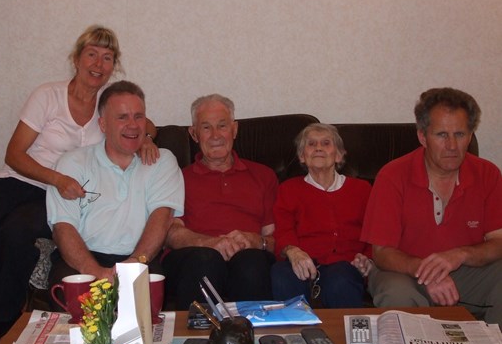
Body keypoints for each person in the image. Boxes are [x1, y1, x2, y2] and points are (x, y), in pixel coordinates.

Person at [0, 25, 158, 344]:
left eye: (107, 57)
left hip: (49, 199)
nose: (98, 63)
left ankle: (0, 333)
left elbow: (144, 124)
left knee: (19, 237)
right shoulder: (48, 95)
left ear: (114, 66)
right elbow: (14, 154)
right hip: (12, 187)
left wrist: (148, 138)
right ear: (77, 59)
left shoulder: (105, 109)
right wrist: (58, 179)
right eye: (91, 53)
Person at [361, 87, 502, 327]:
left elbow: (498, 241)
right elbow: (382, 252)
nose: (452, 145)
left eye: (460, 134)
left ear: (470, 136)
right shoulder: (393, 175)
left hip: (465, 271)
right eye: (441, 135)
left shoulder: (487, 173)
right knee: (396, 293)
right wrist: (428, 273)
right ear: (422, 137)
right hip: (405, 271)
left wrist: (461, 254)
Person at [47, 80, 184, 289]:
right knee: (83, 316)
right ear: (103, 124)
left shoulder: (162, 161)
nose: (133, 124)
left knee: (145, 316)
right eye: (122, 117)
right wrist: (96, 272)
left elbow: (162, 217)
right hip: (82, 261)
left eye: (139, 116)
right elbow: (63, 227)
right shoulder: (72, 163)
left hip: (141, 257)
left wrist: (135, 263)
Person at [162, 94, 278, 310]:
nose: (215, 135)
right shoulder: (177, 177)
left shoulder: (264, 175)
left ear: (234, 129)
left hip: (248, 259)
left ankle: (250, 336)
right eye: (206, 128)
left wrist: (256, 241)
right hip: (194, 259)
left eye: (222, 126)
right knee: (206, 260)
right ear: (194, 133)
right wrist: (211, 244)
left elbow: (276, 239)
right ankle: (198, 339)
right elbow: (171, 234)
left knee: (251, 260)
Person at [271, 123, 373, 307]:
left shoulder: (362, 189)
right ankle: (294, 332)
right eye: (311, 144)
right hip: (301, 259)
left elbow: (374, 231)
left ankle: (342, 335)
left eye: (326, 143)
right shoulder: (288, 189)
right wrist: (293, 251)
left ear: (339, 154)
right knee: (282, 274)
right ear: (302, 156)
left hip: (346, 263)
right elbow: (283, 230)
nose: (318, 148)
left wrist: (367, 258)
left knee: (341, 280)